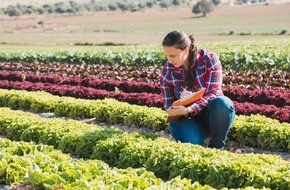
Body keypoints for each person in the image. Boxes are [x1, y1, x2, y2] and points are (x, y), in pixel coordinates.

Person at [160, 31, 235, 149]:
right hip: (186, 119)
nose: (169, 61)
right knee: (194, 143)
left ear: (185, 50)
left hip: (209, 115)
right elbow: (168, 103)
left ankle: (217, 146)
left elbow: (214, 93)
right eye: (167, 56)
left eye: (173, 56)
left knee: (223, 103)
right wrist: (173, 109)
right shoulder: (168, 69)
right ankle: (195, 135)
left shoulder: (209, 59)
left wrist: (190, 108)